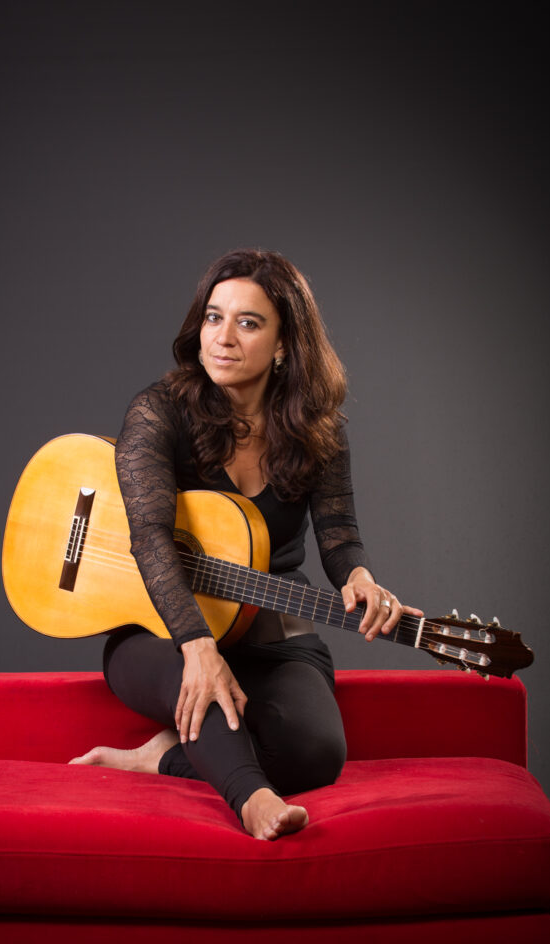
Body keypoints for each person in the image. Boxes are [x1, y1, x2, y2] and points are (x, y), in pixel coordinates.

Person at [70, 248, 422, 840]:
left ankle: (156, 758)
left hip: (271, 631)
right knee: (203, 685)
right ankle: (251, 800)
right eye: (213, 317)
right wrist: (196, 644)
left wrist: (358, 578)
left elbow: (339, 538)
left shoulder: (319, 431)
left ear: (284, 344)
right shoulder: (159, 412)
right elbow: (150, 537)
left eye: (248, 322)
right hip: (159, 631)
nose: (222, 337)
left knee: (315, 755)